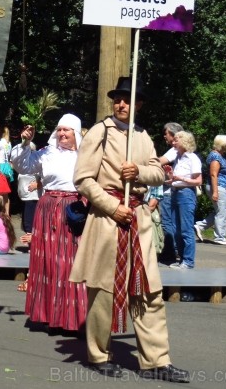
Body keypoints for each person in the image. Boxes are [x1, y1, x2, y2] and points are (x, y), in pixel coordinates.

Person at [70, 77, 189, 382]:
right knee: (103, 291)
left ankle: (156, 361)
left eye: (128, 99)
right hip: (107, 219)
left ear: (138, 104)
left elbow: (159, 173)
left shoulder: (143, 135)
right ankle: (98, 355)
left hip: (138, 221)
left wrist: (139, 172)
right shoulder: (101, 131)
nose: (122, 104)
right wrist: (111, 207)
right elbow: (83, 179)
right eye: (118, 99)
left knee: (148, 290)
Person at [11, 113, 87, 333]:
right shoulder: (47, 152)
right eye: (60, 129)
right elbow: (22, 166)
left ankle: (75, 318)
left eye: (67, 130)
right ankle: (49, 315)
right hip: (48, 208)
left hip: (74, 208)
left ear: (76, 133)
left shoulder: (85, 156)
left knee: (71, 262)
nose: (62, 133)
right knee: (49, 261)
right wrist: (26, 142)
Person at [169, 131, 202, 269]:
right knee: (176, 229)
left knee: (186, 229)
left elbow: (198, 181)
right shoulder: (178, 157)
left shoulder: (192, 158)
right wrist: (170, 176)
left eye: (176, 140)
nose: (173, 142)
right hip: (176, 192)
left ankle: (188, 261)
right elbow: (175, 178)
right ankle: (182, 258)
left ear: (184, 141)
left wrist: (180, 178)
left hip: (186, 193)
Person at [195, 135, 226, 245]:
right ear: (222, 144)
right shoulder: (215, 157)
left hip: (219, 186)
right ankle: (220, 237)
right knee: (221, 212)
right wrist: (215, 191)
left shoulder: (219, 156)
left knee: (219, 210)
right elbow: (213, 174)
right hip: (217, 186)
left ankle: (199, 226)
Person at [157, 122, 184, 264]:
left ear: (173, 135)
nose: (164, 136)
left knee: (167, 223)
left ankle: (170, 254)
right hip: (170, 190)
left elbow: (159, 161)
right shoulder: (177, 150)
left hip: (168, 191)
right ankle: (172, 252)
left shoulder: (174, 151)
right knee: (171, 223)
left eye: (166, 133)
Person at [11, 135, 41, 234]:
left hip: (33, 196)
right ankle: (30, 241)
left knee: (29, 221)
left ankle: (31, 244)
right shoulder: (24, 162)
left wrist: (38, 183)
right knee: (26, 221)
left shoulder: (37, 161)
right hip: (24, 197)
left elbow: (46, 175)